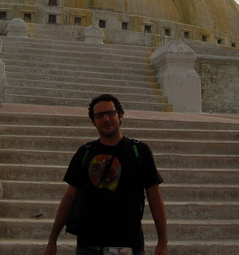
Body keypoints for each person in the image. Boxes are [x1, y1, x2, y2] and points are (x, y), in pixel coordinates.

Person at [43, 94, 168, 255]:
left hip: (127, 245)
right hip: (89, 245)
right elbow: (69, 197)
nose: (106, 119)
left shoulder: (139, 151)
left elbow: (154, 197)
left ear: (120, 115)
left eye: (110, 113)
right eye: (99, 115)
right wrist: (52, 240)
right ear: (93, 121)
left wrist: (162, 242)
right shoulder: (84, 153)